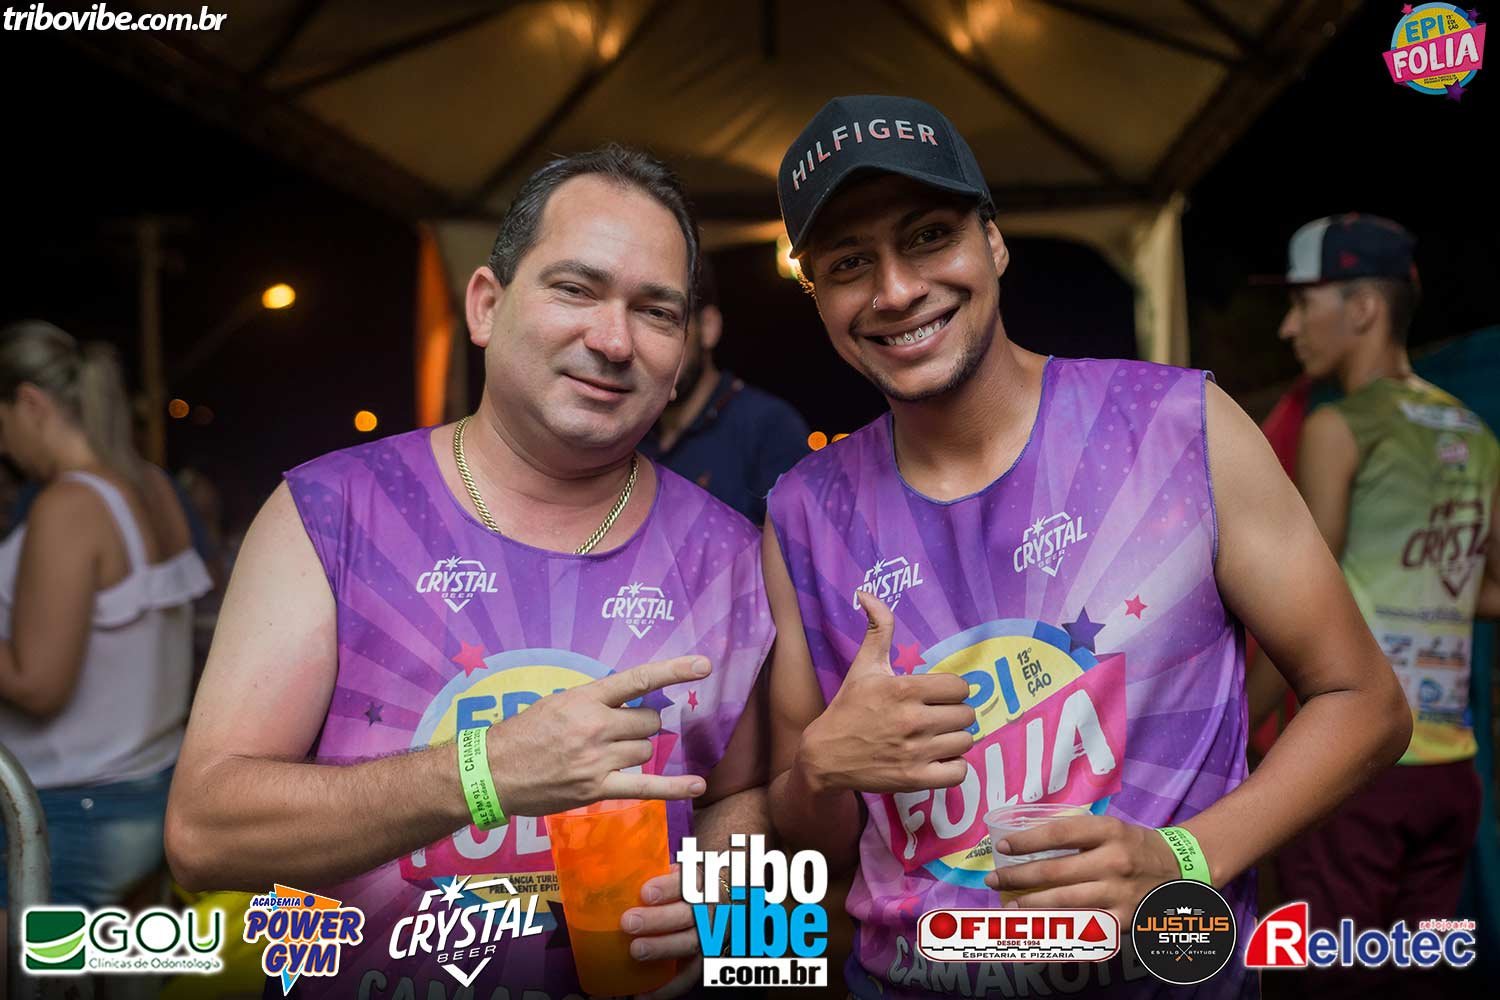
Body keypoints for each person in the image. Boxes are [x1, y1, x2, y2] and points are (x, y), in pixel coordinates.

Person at [760, 96, 1411, 998]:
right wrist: (820, 768)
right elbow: (814, 842)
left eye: (929, 236)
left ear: (993, 242)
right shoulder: (803, 515)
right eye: (848, 263)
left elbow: (1366, 701)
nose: (897, 289)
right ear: (818, 296)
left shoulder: (1178, 426)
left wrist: (1182, 858)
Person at [164, 146, 774, 999]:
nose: (613, 340)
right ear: (486, 305)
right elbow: (204, 833)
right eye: (576, 289)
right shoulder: (333, 513)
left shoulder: (728, 557)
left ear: (680, 357)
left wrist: (721, 897)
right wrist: (484, 772)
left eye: (656, 312)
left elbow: (742, 795)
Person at [1245, 215, 1500, 998]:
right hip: (1451, 774)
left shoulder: (1337, 425)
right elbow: (1488, 590)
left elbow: (1302, 601)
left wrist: (1235, 725)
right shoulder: (1471, 430)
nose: (1288, 328)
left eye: (1303, 303)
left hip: (1353, 768)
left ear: (1362, 309)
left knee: (1330, 979)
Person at [0, 321, 212, 907]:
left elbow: (39, 686)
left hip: (73, 813)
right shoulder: (153, 486)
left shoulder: (68, 504)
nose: (4, 448)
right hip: (149, 791)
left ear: (30, 403)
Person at [641, 255, 810, 523]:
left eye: (663, 316)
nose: (650, 345)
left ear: (708, 327)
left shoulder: (768, 427)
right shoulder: (632, 431)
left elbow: (797, 540)